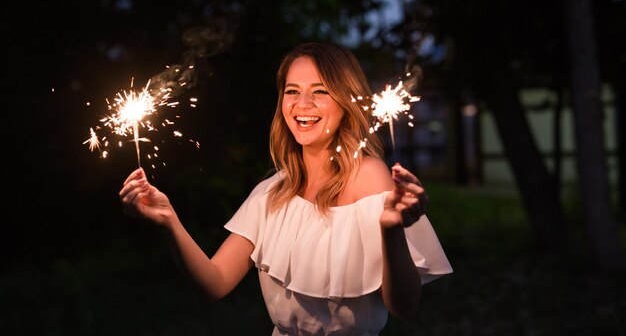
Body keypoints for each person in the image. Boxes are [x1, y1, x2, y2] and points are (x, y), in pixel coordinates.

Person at [119, 41, 452, 336]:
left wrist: (392, 231)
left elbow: (404, 306)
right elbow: (214, 283)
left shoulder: (370, 177)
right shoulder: (273, 191)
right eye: (292, 91)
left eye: (320, 91)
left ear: (346, 101)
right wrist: (169, 221)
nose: (302, 104)